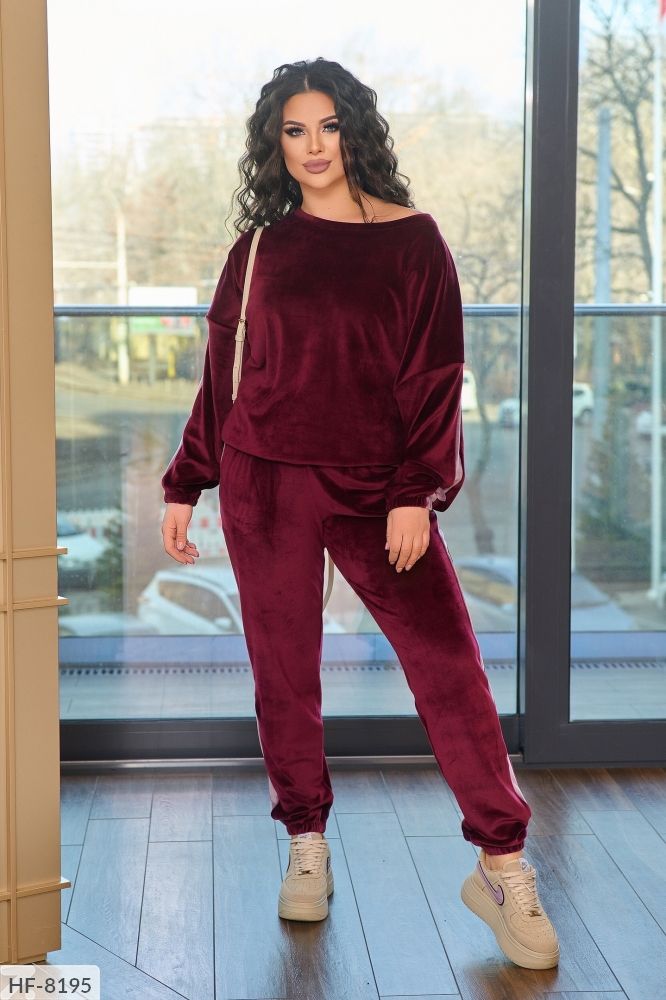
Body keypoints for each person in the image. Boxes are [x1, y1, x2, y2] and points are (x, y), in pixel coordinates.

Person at [160, 57, 559, 970]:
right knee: (285, 672)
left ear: (356, 132)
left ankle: (502, 864)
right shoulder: (258, 250)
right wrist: (188, 481)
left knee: (449, 667)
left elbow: (436, 376)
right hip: (265, 480)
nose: (313, 147)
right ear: (275, 144)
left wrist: (417, 491)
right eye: (294, 131)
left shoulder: (414, 241)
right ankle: (306, 839)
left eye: (329, 127)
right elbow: (223, 377)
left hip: (379, 490)